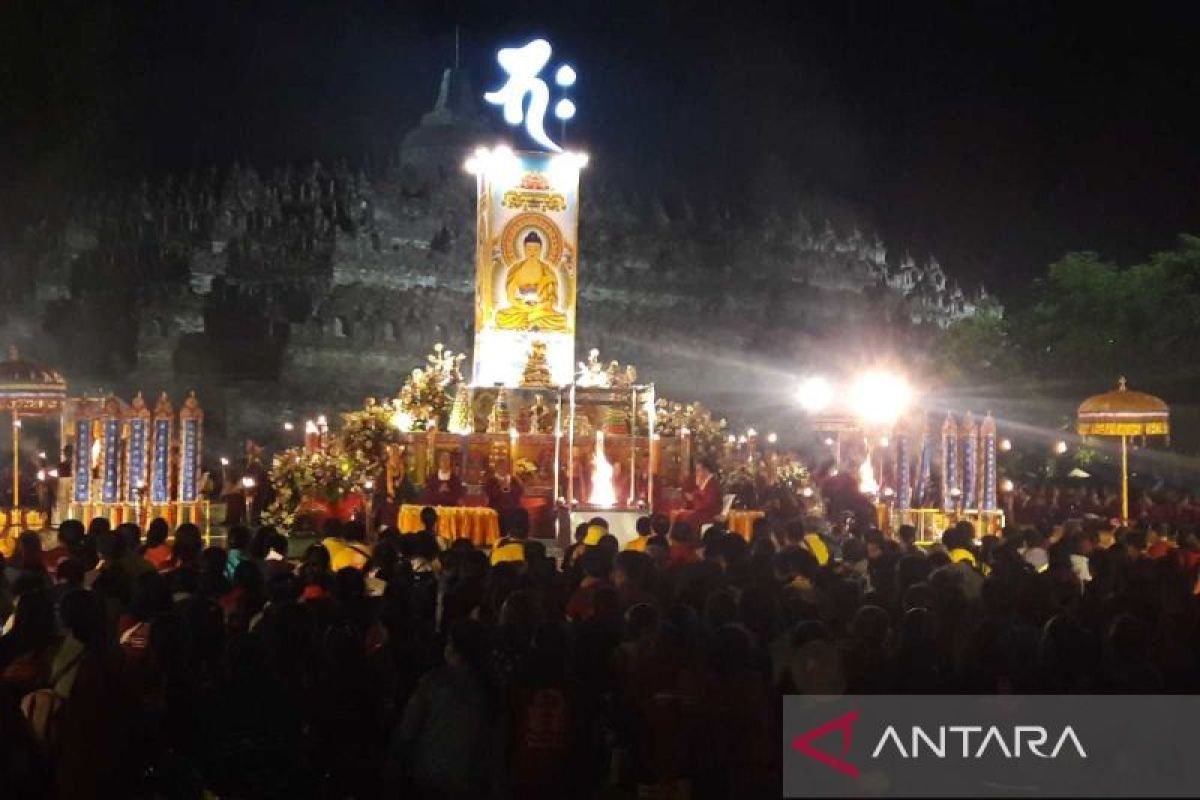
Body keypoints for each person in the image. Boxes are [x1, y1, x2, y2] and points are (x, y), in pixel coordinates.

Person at [675, 458, 723, 528]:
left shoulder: (712, 485)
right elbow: (699, 496)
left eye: (698, 470)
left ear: (706, 471)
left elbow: (706, 505)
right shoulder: (706, 483)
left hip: (709, 515)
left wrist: (693, 498)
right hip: (703, 513)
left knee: (685, 517)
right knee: (680, 514)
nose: (696, 474)